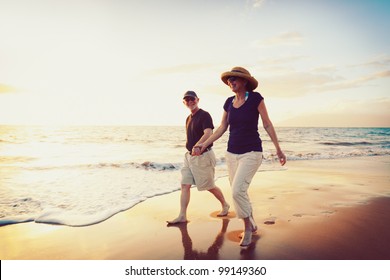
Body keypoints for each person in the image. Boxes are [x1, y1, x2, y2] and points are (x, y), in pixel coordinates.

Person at [197, 67, 286, 246]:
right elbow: (222, 127)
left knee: (237, 191)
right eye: (229, 80)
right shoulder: (229, 102)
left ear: (244, 81)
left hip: (252, 152)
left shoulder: (255, 98)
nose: (231, 82)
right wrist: (204, 144)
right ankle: (251, 221)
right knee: (240, 191)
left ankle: (247, 229)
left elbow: (267, 124)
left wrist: (278, 148)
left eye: (234, 79)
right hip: (231, 153)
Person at [167, 90, 230, 224]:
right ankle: (182, 215)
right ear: (184, 102)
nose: (190, 102)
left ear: (198, 100)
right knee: (185, 185)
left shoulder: (204, 115)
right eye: (187, 100)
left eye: (192, 99)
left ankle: (225, 204)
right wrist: (191, 148)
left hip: (203, 156)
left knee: (209, 186)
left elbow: (208, 132)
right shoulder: (188, 118)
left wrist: (197, 145)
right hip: (189, 157)